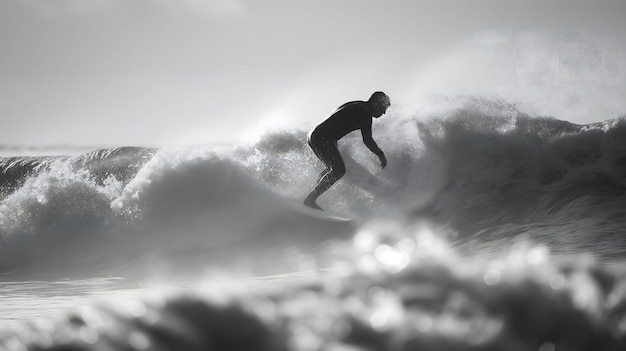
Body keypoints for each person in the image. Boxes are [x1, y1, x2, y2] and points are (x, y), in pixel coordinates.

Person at [304, 91, 391, 210]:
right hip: (322, 138)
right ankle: (310, 199)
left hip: (315, 135)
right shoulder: (364, 114)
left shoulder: (357, 105)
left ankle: (310, 195)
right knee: (338, 170)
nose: (384, 113)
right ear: (376, 104)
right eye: (383, 109)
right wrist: (381, 155)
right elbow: (367, 140)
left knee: (332, 169)